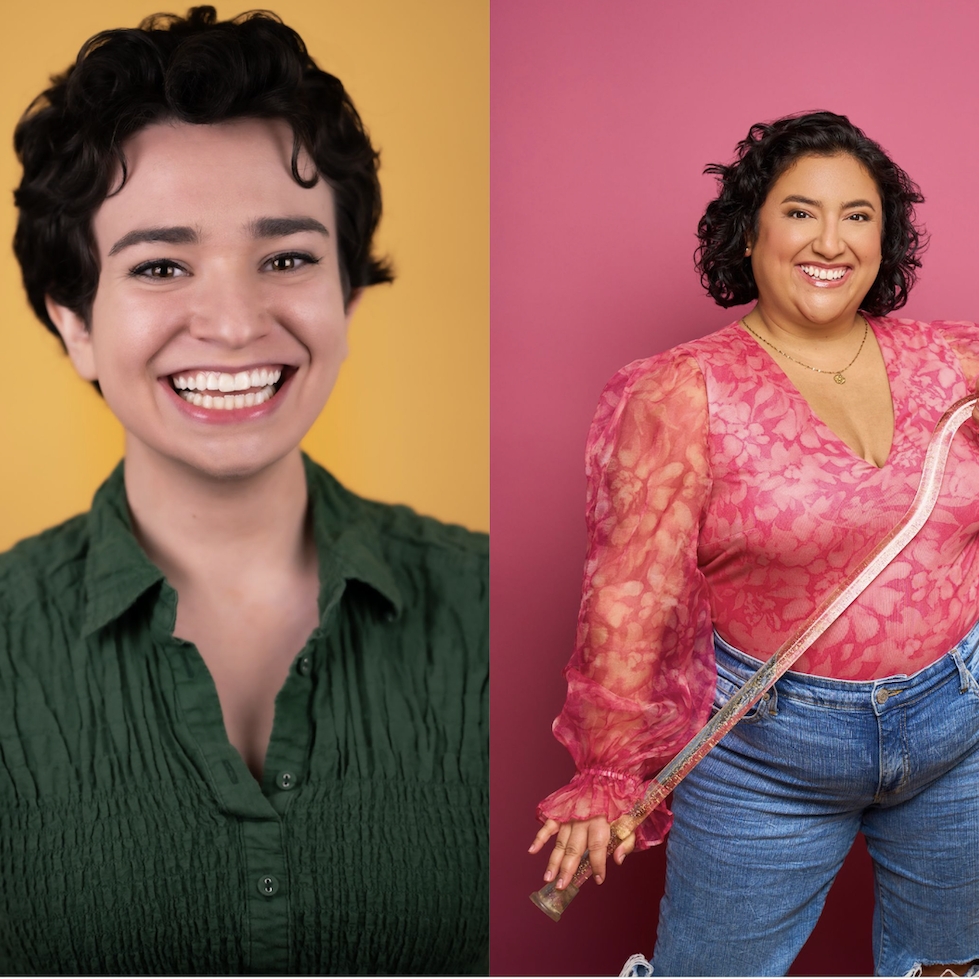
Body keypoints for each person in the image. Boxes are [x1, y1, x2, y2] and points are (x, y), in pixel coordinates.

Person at [0, 7, 488, 975]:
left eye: (288, 258)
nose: (232, 322)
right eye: (161, 265)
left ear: (348, 294)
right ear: (75, 323)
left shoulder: (494, 606)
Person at [529, 111, 979, 976]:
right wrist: (607, 769)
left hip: (960, 734)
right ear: (748, 232)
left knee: (952, 967)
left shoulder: (956, 363)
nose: (830, 240)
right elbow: (630, 593)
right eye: (800, 211)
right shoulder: (680, 391)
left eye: (857, 216)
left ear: (883, 241)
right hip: (764, 756)